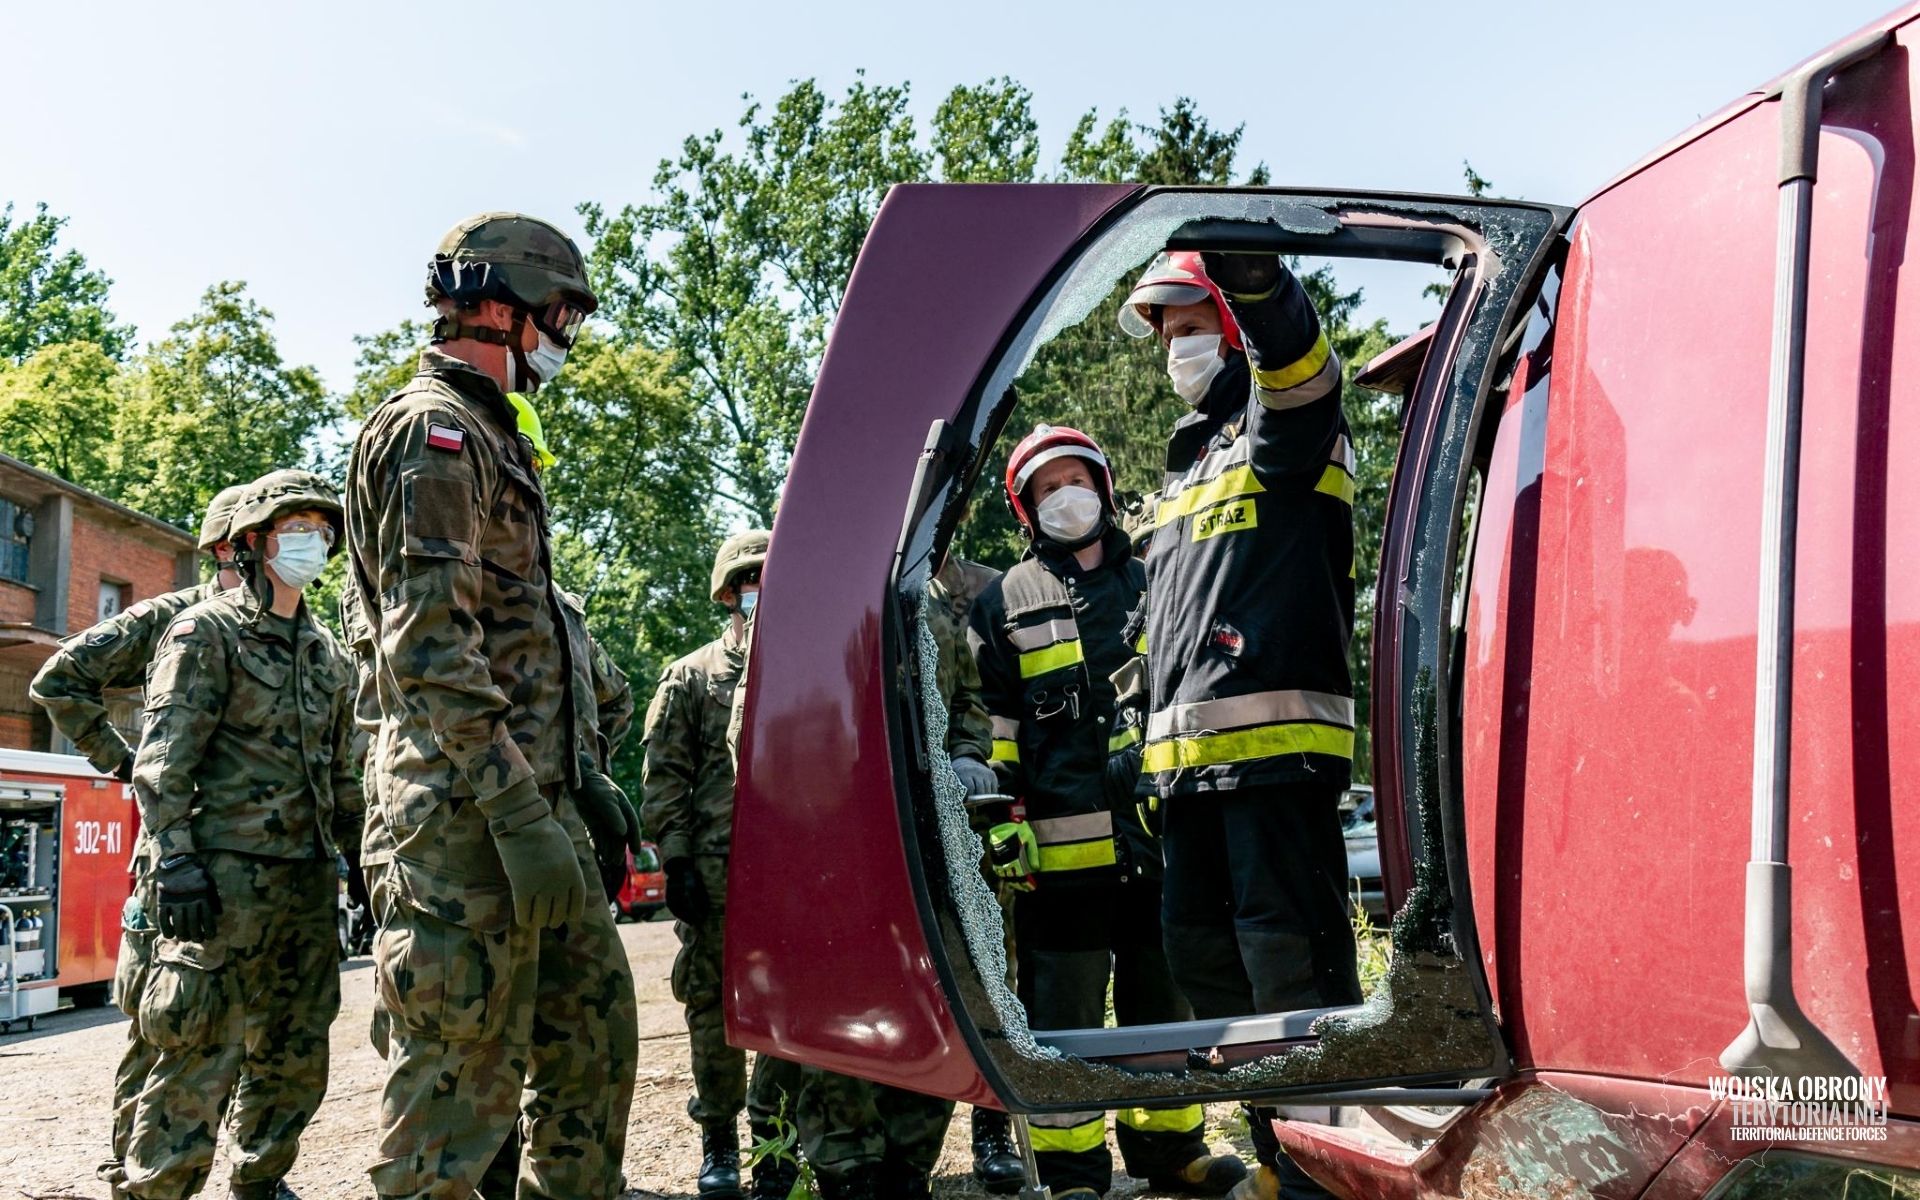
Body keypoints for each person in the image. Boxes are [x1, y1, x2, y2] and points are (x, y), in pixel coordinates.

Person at [345, 211, 639, 1200]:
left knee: (593, 1049)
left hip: (531, 812)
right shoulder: (434, 435)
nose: (569, 335)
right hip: (464, 829)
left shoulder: (496, 436)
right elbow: (430, 648)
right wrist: (518, 811)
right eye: (563, 313)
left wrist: (580, 782)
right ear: (503, 305)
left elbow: (519, 643)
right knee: (451, 1107)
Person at [1118, 250, 1362, 1200]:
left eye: (1192, 324)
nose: (1177, 347)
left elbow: (1301, 373)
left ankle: (1325, 1175)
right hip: (1188, 783)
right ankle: (1278, 1157)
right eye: (1167, 334)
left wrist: (1264, 290)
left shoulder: (1276, 429)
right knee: (1208, 973)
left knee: (1289, 977)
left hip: (1275, 764)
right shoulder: (1181, 471)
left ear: (1229, 325)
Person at [969, 424, 1244, 1200]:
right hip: (1059, 859)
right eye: (1047, 488)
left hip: (1160, 842)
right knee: (1066, 1024)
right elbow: (996, 722)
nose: (1066, 498)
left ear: (1104, 485)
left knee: (1164, 1009)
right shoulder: (1002, 601)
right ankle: (1071, 1175)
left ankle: (1171, 1152)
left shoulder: (1161, 574)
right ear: (1027, 510)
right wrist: (1000, 811)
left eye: (1075, 480)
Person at [121, 470, 363, 1200]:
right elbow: (164, 763)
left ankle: (260, 1182)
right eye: (297, 530)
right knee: (195, 1055)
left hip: (307, 884)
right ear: (252, 542)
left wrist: (363, 871)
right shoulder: (206, 632)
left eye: (323, 533)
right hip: (221, 887)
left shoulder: (328, 654)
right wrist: (176, 864)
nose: (312, 545)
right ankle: (156, 1189)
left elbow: (345, 779)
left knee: (294, 1058)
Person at [29, 482, 252, 1199]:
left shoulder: (273, 627)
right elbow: (58, 679)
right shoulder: (176, 618)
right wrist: (121, 761)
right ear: (227, 548)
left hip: (248, 854)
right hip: (175, 854)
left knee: (242, 1024)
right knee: (165, 1018)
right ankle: (130, 1162)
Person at [642, 530, 803, 1200]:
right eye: (746, 580)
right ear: (728, 593)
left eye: (767, 577)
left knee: (789, 1009)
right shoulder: (690, 676)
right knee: (712, 1009)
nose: (756, 590)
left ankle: (777, 1141)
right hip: (712, 874)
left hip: (790, 873)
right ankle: (718, 1140)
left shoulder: (805, 667)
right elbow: (663, 779)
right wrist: (676, 862)